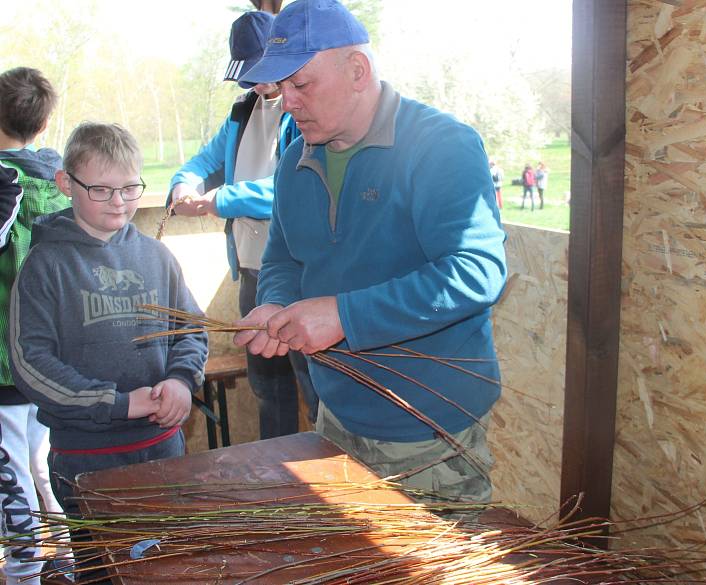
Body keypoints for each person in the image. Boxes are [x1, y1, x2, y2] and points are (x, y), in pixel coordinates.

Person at [235, 0, 507, 503]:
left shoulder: (441, 146)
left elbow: (478, 272)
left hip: (428, 427)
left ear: (357, 70)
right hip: (335, 413)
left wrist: (344, 314)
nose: (286, 101)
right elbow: (283, 257)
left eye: (301, 84)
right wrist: (275, 303)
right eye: (281, 87)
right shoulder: (295, 158)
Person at [10, 122, 208, 540]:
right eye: (101, 190)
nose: (118, 203)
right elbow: (31, 364)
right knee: (101, 563)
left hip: (162, 449)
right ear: (66, 183)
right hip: (86, 459)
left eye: (130, 189)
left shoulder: (157, 256)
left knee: (165, 559)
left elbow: (190, 329)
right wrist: (116, 403)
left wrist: (180, 380)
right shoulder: (45, 266)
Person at [169, 11, 316, 438]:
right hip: (253, 273)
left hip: (298, 276)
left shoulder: (301, 113)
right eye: (248, 77)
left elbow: (290, 189)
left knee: (314, 383)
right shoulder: (241, 111)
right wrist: (184, 184)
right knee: (268, 386)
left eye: (260, 74)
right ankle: (277, 475)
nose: (255, 85)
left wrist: (222, 200)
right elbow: (206, 159)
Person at [0, 67, 73, 585]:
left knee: (9, 472)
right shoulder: (62, 182)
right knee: (41, 462)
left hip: (4, 359)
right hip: (50, 356)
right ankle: (67, 555)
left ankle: (23, 570)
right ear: (45, 125)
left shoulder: (6, 184)